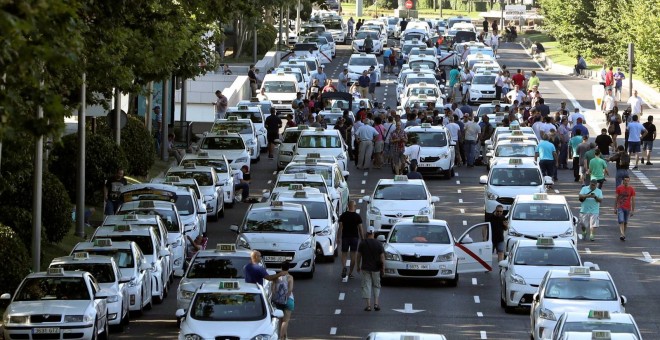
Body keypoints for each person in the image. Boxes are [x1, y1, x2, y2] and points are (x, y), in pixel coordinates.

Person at [356, 226, 384, 312]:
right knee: (376, 286)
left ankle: (368, 306)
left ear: (367, 233)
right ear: (373, 234)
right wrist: (383, 269)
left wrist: (357, 266)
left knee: (367, 285)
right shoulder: (379, 244)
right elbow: (382, 257)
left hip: (366, 268)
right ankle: (376, 304)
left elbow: (358, 256)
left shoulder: (362, 243)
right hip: (376, 269)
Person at [338, 200, 363, 279]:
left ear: (348, 206)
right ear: (354, 206)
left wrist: (338, 237)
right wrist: (362, 239)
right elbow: (360, 229)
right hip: (354, 238)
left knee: (344, 254)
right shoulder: (357, 216)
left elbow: (340, 227)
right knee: (353, 256)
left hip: (345, 237)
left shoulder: (343, 215)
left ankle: (344, 267)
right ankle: (350, 273)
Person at [271, 261, 294, 339]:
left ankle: (285, 337)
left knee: (281, 320)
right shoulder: (290, 277)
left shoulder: (276, 277)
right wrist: (286, 298)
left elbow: (273, 290)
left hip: (278, 301)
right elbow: (290, 289)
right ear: (289, 268)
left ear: (281, 267)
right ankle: (281, 337)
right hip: (288, 300)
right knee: (286, 321)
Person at [615, 175, 635, 241]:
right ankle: (622, 234)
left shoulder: (631, 189)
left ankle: (623, 234)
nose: (626, 182)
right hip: (620, 207)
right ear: (623, 181)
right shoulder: (619, 188)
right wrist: (615, 208)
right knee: (621, 221)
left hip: (628, 207)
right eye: (625, 180)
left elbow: (633, 200)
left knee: (625, 222)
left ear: (629, 181)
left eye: (627, 180)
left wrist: (632, 210)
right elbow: (616, 198)